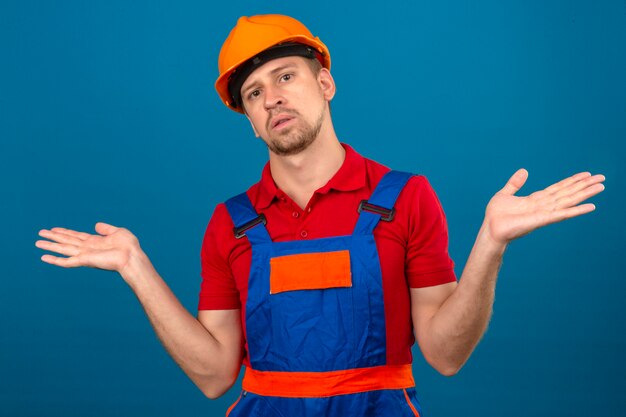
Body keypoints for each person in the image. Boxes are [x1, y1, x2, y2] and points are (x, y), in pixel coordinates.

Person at [35, 14, 605, 416]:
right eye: (253, 94)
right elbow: (213, 378)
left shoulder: (405, 197)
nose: (272, 98)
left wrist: (490, 245)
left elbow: (445, 355)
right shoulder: (230, 223)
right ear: (251, 121)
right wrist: (137, 267)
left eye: (285, 76)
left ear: (324, 83)